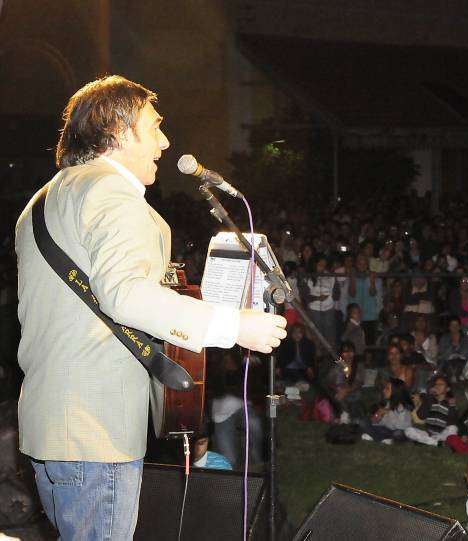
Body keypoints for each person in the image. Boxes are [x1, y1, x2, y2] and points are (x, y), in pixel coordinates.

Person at [14, 75, 287, 540]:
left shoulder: (45, 200)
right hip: (95, 429)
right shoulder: (111, 192)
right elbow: (126, 295)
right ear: (118, 132)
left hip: (52, 423)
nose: (164, 142)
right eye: (155, 126)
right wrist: (233, 325)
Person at [404, 374, 458, 446]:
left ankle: (425, 441)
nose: (437, 386)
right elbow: (421, 416)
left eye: (441, 384)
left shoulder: (450, 403)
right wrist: (429, 397)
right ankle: (437, 443)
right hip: (428, 433)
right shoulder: (430, 400)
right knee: (408, 430)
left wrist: (452, 406)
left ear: (448, 389)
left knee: (453, 428)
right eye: (436, 384)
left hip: (442, 434)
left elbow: (452, 422)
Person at [359, 378, 414, 445]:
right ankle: (384, 439)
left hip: (400, 431)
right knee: (363, 422)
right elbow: (380, 422)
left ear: (395, 391)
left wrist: (389, 412)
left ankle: (377, 437)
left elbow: (400, 427)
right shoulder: (389, 403)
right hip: (387, 430)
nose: (384, 390)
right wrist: (378, 415)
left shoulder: (402, 407)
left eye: (387, 388)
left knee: (397, 433)